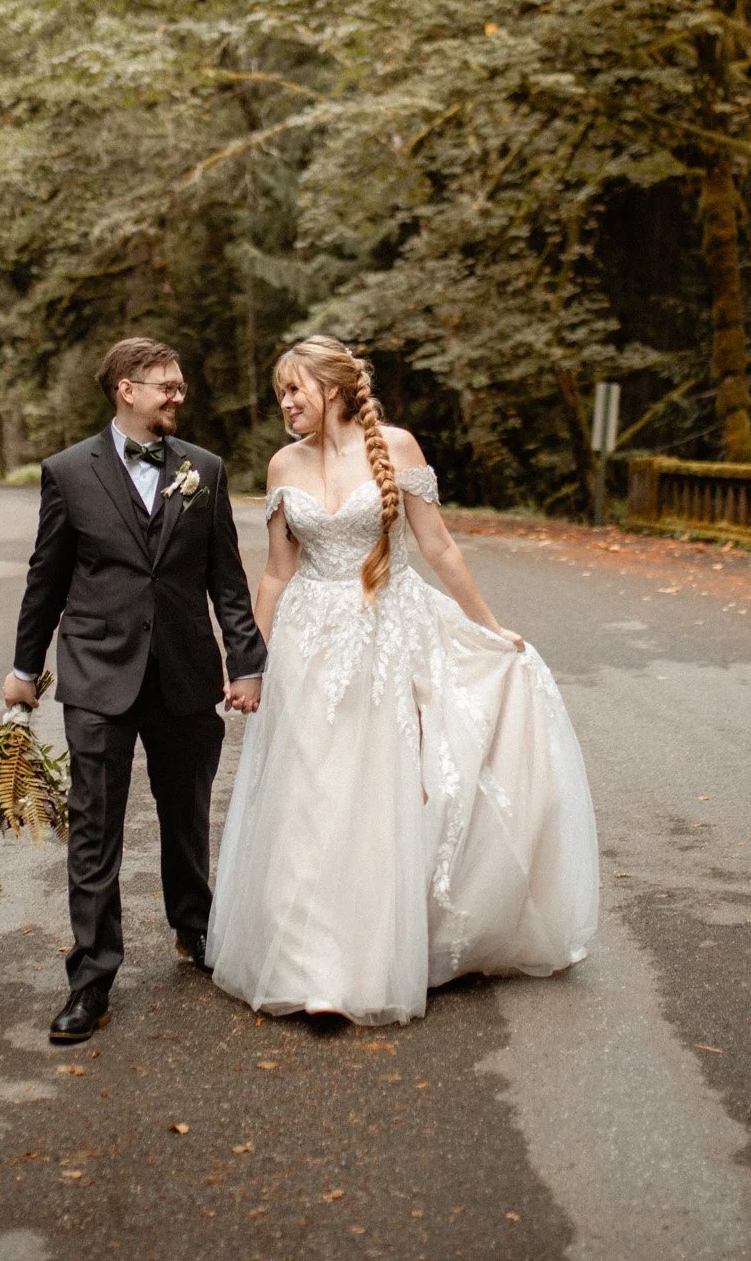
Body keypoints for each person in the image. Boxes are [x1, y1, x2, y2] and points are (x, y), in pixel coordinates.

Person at [206, 337, 599, 1025]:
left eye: (295, 390)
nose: (286, 405)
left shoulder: (397, 447)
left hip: (384, 636)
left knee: (370, 795)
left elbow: (439, 545)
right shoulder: (281, 465)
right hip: (306, 645)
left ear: (332, 388)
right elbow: (274, 571)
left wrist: (490, 625)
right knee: (307, 794)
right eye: (280, 394)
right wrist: (249, 663)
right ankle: (306, 967)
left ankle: (361, 961)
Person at [6, 337, 266, 1044]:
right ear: (125, 389)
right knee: (95, 828)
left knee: (186, 815)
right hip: (97, 674)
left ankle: (196, 930)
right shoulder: (67, 471)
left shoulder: (203, 470)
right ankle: (91, 978)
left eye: (180, 385)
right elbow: (47, 579)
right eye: (166, 386)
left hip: (185, 671)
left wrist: (246, 662)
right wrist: (25, 670)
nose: (178, 395)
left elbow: (227, 581)